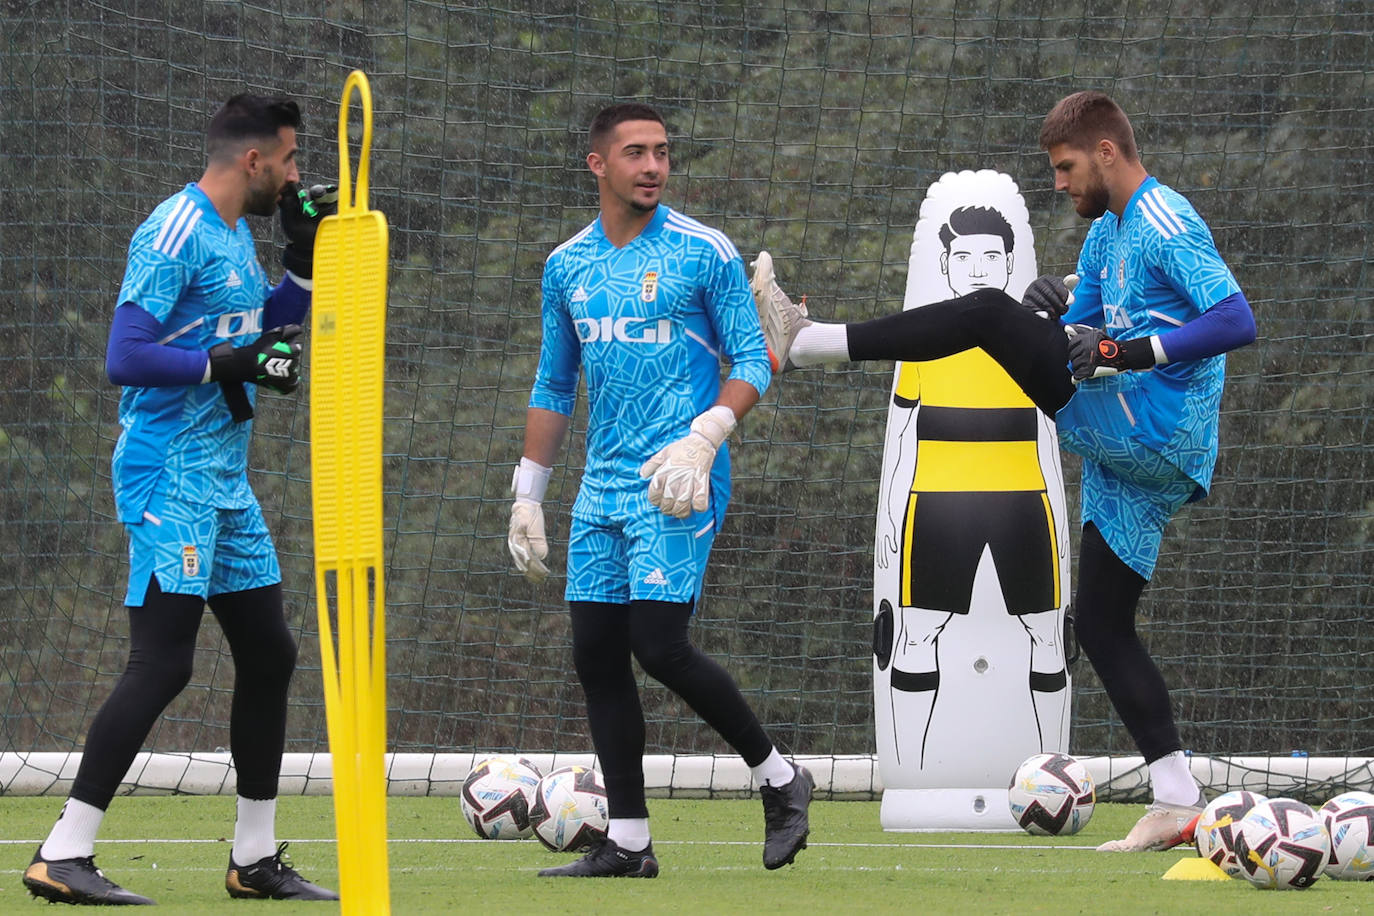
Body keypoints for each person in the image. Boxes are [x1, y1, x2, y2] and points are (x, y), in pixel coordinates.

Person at [752, 90, 1256, 852]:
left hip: (1149, 425)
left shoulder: (1163, 217)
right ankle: (1177, 796)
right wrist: (1048, 307)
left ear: (1107, 153)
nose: (1058, 184)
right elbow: (1079, 328)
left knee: (984, 315)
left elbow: (1234, 320)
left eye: (1065, 167)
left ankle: (810, 340)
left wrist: (1121, 351)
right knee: (1106, 626)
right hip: (1134, 447)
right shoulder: (1106, 235)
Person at [23, 94, 339, 905]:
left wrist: (301, 262)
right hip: (168, 475)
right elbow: (124, 355)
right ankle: (63, 852)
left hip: (225, 480)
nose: (299, 175)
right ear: (253, 161)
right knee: (163, 662)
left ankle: (255, 859)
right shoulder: (173, 229)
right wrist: (225, 365)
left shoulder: (237, 232)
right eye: (293, 160)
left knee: (270, 654)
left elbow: (262, 330)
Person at [507, 102, 813, 878]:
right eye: (636, 153)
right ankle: (630, 843)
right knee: (597, 657)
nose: (652, 166)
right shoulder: (565, 265)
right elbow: (553, 382)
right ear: (597, 165)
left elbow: (752, 358)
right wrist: (528, 493)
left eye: (662, 153)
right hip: (601, 490)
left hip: (678, 480)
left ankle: (780, 779)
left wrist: (706, 436)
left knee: (659, 645)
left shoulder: (703, 251)